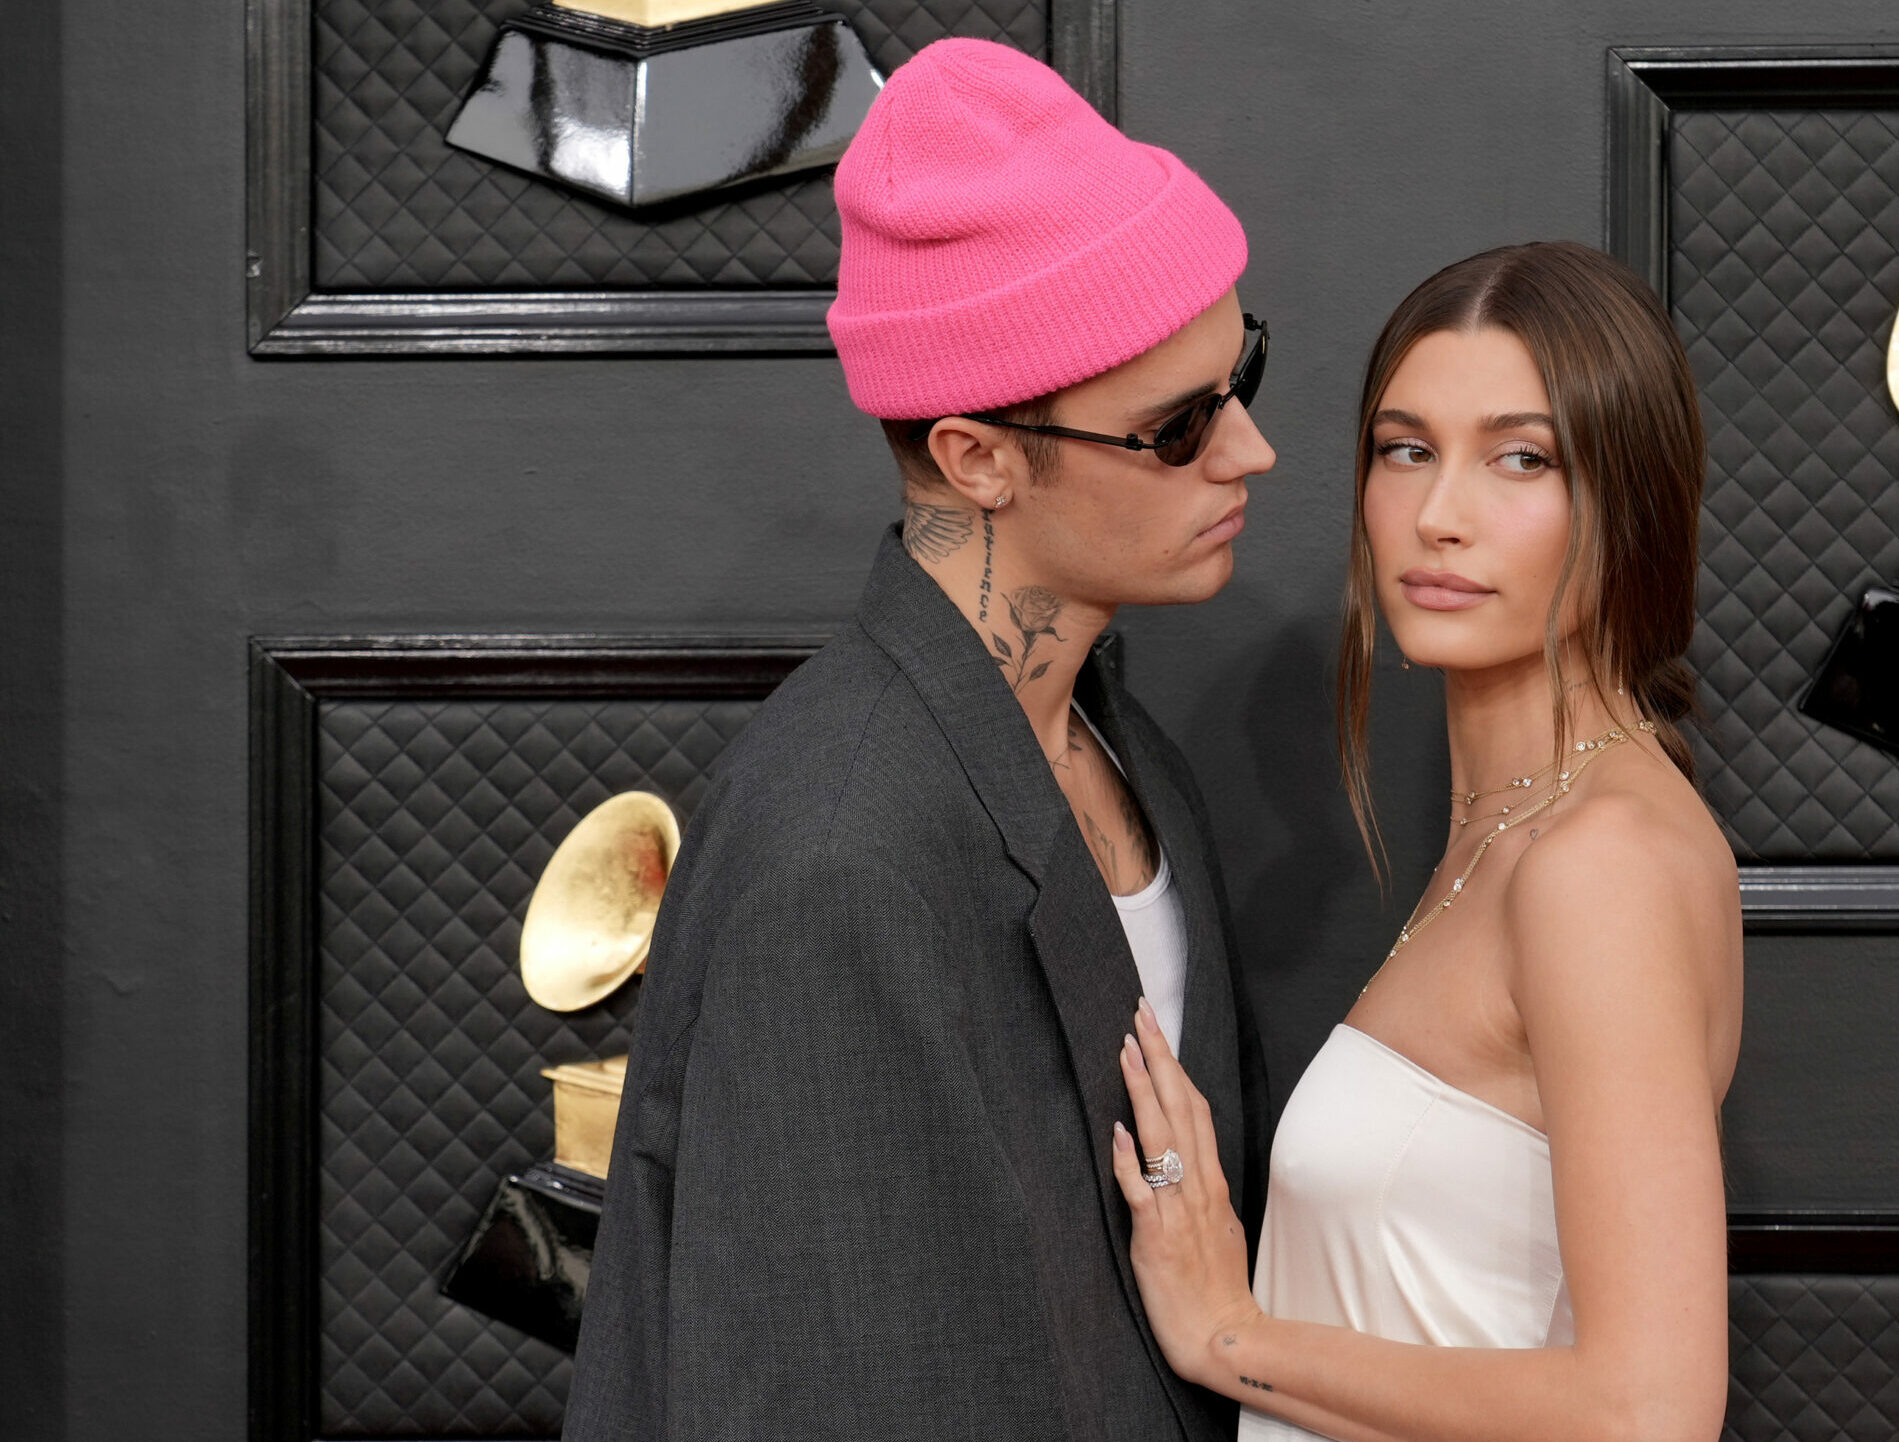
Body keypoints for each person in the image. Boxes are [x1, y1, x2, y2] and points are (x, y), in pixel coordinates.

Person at [564, 38, 1275, 1442]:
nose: (1247, 450)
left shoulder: (1114, 740)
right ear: (979, 455)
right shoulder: (848, 864)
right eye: (1180, 425)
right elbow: (837, 1387)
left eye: (1242, 373)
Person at [1101, 241, 1743, 1442]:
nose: (1439, 515)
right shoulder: (1516, 828)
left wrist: (1227, 1335)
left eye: (1520, 458)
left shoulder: (1595, 864)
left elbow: (1647, 1412)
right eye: (1407, 450)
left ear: (1636, 496)